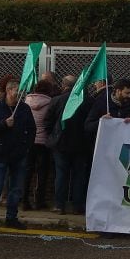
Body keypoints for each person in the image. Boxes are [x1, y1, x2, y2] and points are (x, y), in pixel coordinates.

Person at [0, 75, 36, 232]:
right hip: (0, 153)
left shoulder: (24, 108)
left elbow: (32, 129)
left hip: (19, 154)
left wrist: (26, 146)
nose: (20, 94)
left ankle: (12, 217)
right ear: (8, 90)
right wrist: (3, 124)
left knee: (16, 188)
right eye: (17, 91)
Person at [44, 75, 88, 215]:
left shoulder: (56, 100)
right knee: (79, 176)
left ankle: (59, 205)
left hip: (60, 144)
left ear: (64, 85)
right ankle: (77, 206)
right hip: (81, 144)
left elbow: (48, 122)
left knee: (61, 175)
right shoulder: (86, 101)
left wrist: (53, 135)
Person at [22, 79, 55, 212]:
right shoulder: (50, 103)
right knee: (42, 172)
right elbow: (50, 121)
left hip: (29, 141)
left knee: (27, 171)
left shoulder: (26, 101)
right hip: (43, 142)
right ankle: (39, 200)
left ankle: (24, 200)